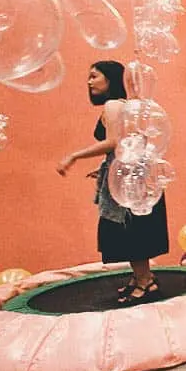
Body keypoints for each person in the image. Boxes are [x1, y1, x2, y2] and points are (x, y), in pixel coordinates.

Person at [56, 60, 170, 305]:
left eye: (94, 76)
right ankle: (141, 277)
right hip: (135, 174)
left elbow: (113, 143)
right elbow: (127, 144)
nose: (89, 82)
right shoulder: (126, 105)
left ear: (110, 79)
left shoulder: (112, 105)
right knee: (134, 228)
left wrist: (73, 156)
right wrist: (104, 168)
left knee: (130, 230)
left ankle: (145, 283)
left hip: (129, 179)